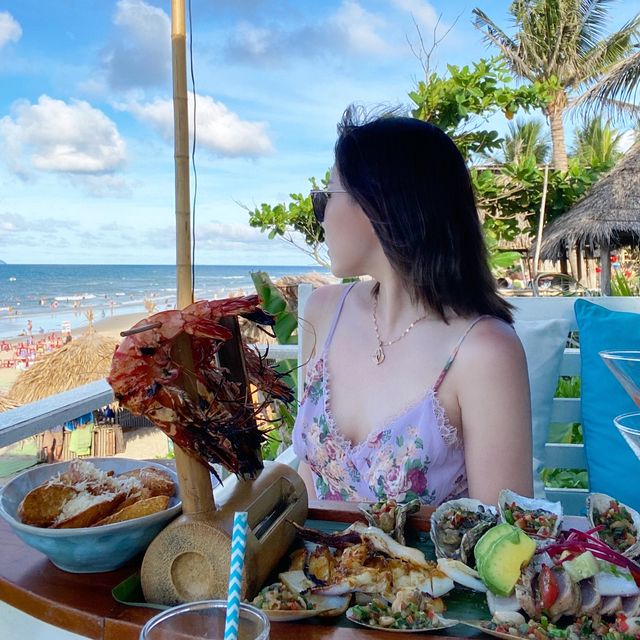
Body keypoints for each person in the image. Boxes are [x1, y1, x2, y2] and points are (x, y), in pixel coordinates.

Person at [292, 107, 532, 507]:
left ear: (374, 206)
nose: (321, 217)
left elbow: (505, 539)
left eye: (326, 197)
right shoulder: (323, 311)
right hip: (311, 565)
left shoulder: (483, 352)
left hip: (432, 570)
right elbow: (310, 474)